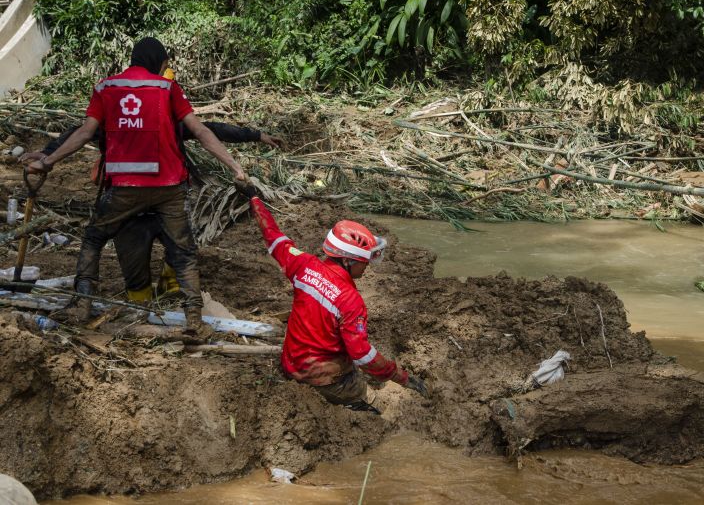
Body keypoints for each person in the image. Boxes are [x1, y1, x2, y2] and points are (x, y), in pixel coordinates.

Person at [25, 37, 245, 332]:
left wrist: (47, 161)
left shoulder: (105, 88)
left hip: (124, 188)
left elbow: (83, 133)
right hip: (169, 187)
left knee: (93, 239)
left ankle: (83, 303)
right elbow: (202, 131)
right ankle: (194, 320)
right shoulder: (167, 88)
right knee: (184, 252)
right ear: (158, 62)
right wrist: (234, 166)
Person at [21, 120, 283, 303]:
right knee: (158, 259)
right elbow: (80, 132)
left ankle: (151, 292)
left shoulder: (147, 118)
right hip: (147, 202)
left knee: (171, 250)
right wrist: (46, 154)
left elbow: (210, 130)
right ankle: (146, 296)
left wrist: (47, 156)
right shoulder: (140, 118)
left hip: (136, 201)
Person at [236, 182, 429, 412]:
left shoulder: (303, 265)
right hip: (323, 380)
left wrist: (255, 200)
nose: (366, 267)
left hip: (291, 365)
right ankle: (358, 408)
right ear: (348, 260)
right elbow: (362, 354)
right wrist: (400, 376)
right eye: (364, 262)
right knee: (369, 402)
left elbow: (274, 238)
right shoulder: (351, 301)